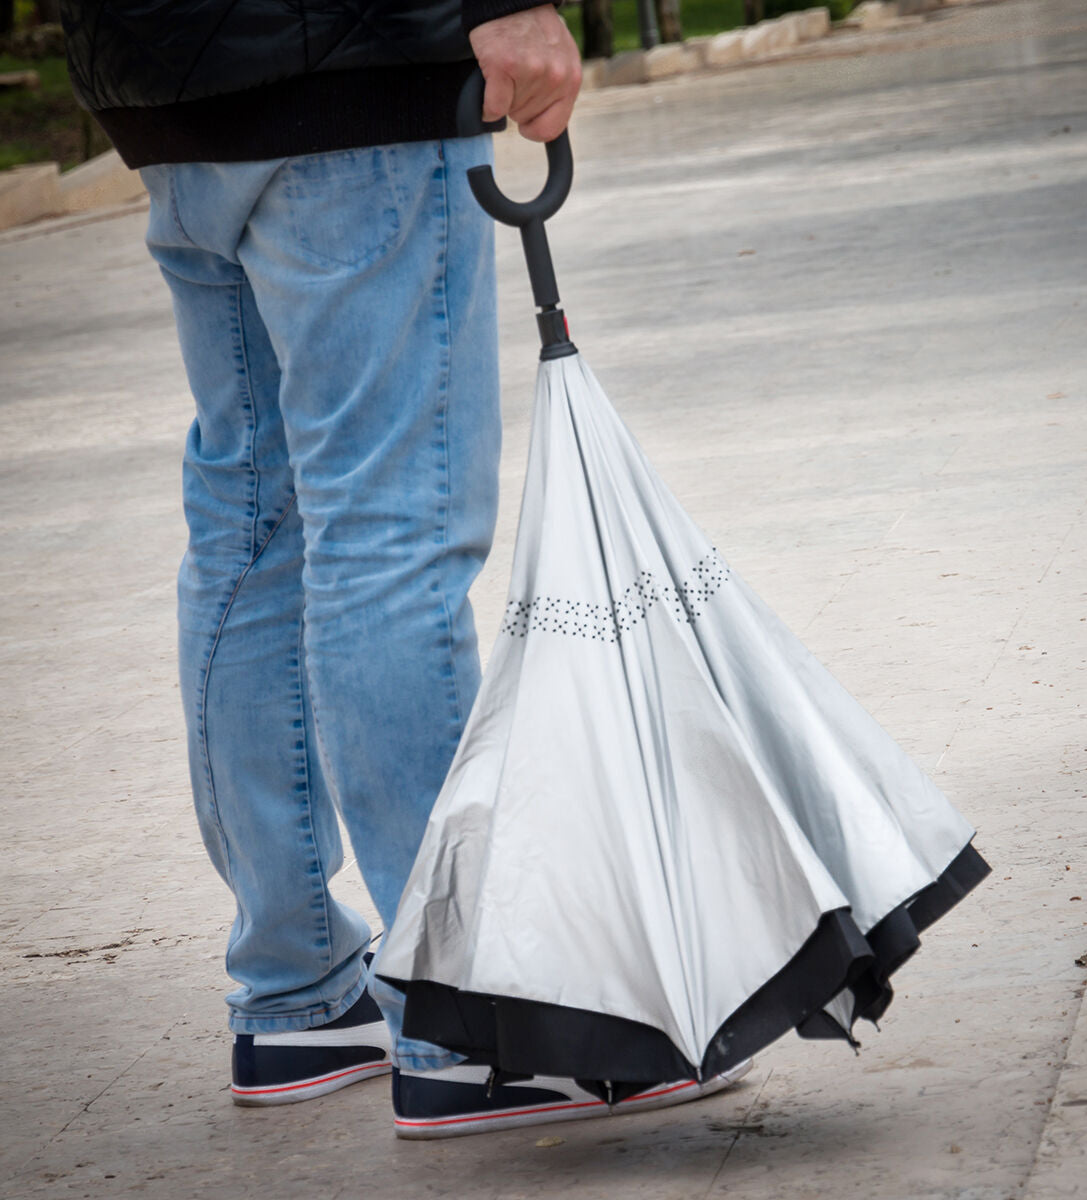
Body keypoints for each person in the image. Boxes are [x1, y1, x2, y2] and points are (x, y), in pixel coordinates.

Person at [60, 0, 745, 1138]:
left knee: (250, 526)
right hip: (356, 64)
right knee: (389, 530)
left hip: (162, 77)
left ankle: (294, 994)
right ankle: (475, 1023)